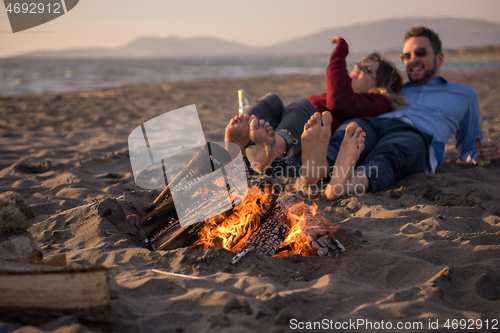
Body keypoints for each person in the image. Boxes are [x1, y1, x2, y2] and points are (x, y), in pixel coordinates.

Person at [300, 26, 500, 200]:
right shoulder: (394, 91)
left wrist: (484, 156)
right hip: (375, 123)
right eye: (407, 55)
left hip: (417, 134)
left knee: (391, 154)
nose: (413, 60)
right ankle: (320, 166)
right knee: (351, 130)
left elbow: (468, 151)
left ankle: (346, 184)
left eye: (420, 53)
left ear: (439, 57)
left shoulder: (464, 94)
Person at [225, 36, 404, 175]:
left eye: (366, 69)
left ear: (380, 86)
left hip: (301, 145)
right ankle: (242, 142)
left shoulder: (378, 101)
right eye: (358, 64)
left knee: (304, 105)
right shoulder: (358, 97)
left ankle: (275, 145)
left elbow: (339, 100)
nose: (356, 68)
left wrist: (339, 55)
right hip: (291, 129)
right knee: (272, 101)